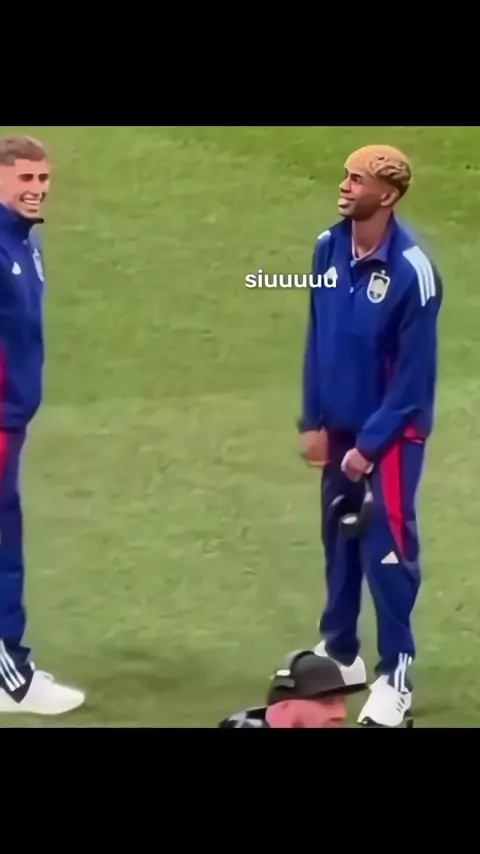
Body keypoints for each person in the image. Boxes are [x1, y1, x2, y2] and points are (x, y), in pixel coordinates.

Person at [298, 144, 443, 727]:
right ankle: (340, 652)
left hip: (392, 438)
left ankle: (395, 674)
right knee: (338, 536)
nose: (344, 185)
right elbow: (318, 335)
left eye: (357, 180)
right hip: (337, 428)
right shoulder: (326, 248)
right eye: (346, 175)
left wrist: (368, 448)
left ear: (388, 195)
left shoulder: (413, 273)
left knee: (387, 548)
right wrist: (312, 419)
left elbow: (413, 380)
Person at [0, 134, 85, 714]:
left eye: (43, 179)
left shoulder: (24, 242)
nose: (38, 189)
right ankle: (10, 678)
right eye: (26, 179)